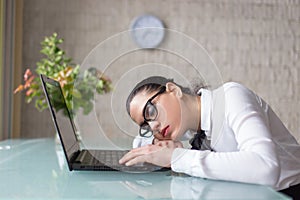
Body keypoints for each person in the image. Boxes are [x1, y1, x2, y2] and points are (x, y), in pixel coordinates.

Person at [119, 76, 300, 199]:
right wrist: (154, 144)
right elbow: (139, 142)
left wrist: (177, 157)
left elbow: (266, 168)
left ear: (173, 90)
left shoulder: (231, 97)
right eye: (146, 126)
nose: (154, 126)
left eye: (150, 111)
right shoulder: (192, 130)